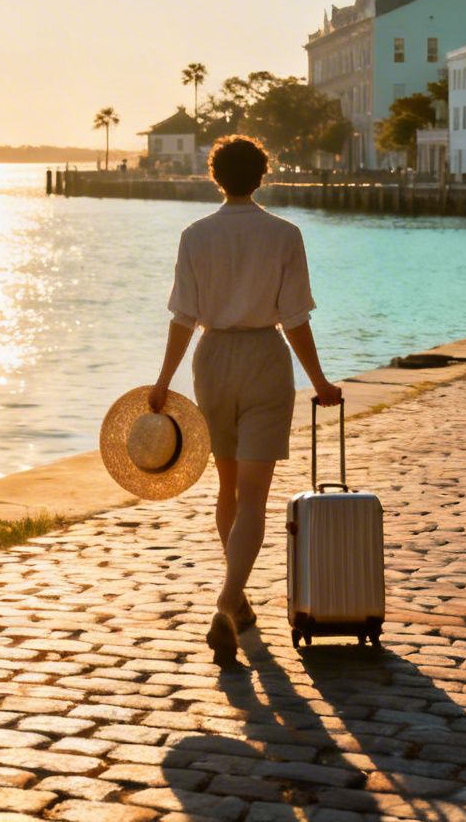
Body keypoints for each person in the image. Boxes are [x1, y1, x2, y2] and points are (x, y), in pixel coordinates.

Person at [147, 135, 343, 665]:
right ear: (262, 175)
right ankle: (228, 601)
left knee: (228, 489)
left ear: (216, 177)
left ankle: (237, 603)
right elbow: (295, 318)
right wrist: (321, 382)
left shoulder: (195, 235)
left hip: (212, 361)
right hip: (264, 359)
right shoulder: (285, 234)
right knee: (255, 495)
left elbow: (183, 317)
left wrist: (163, 382)